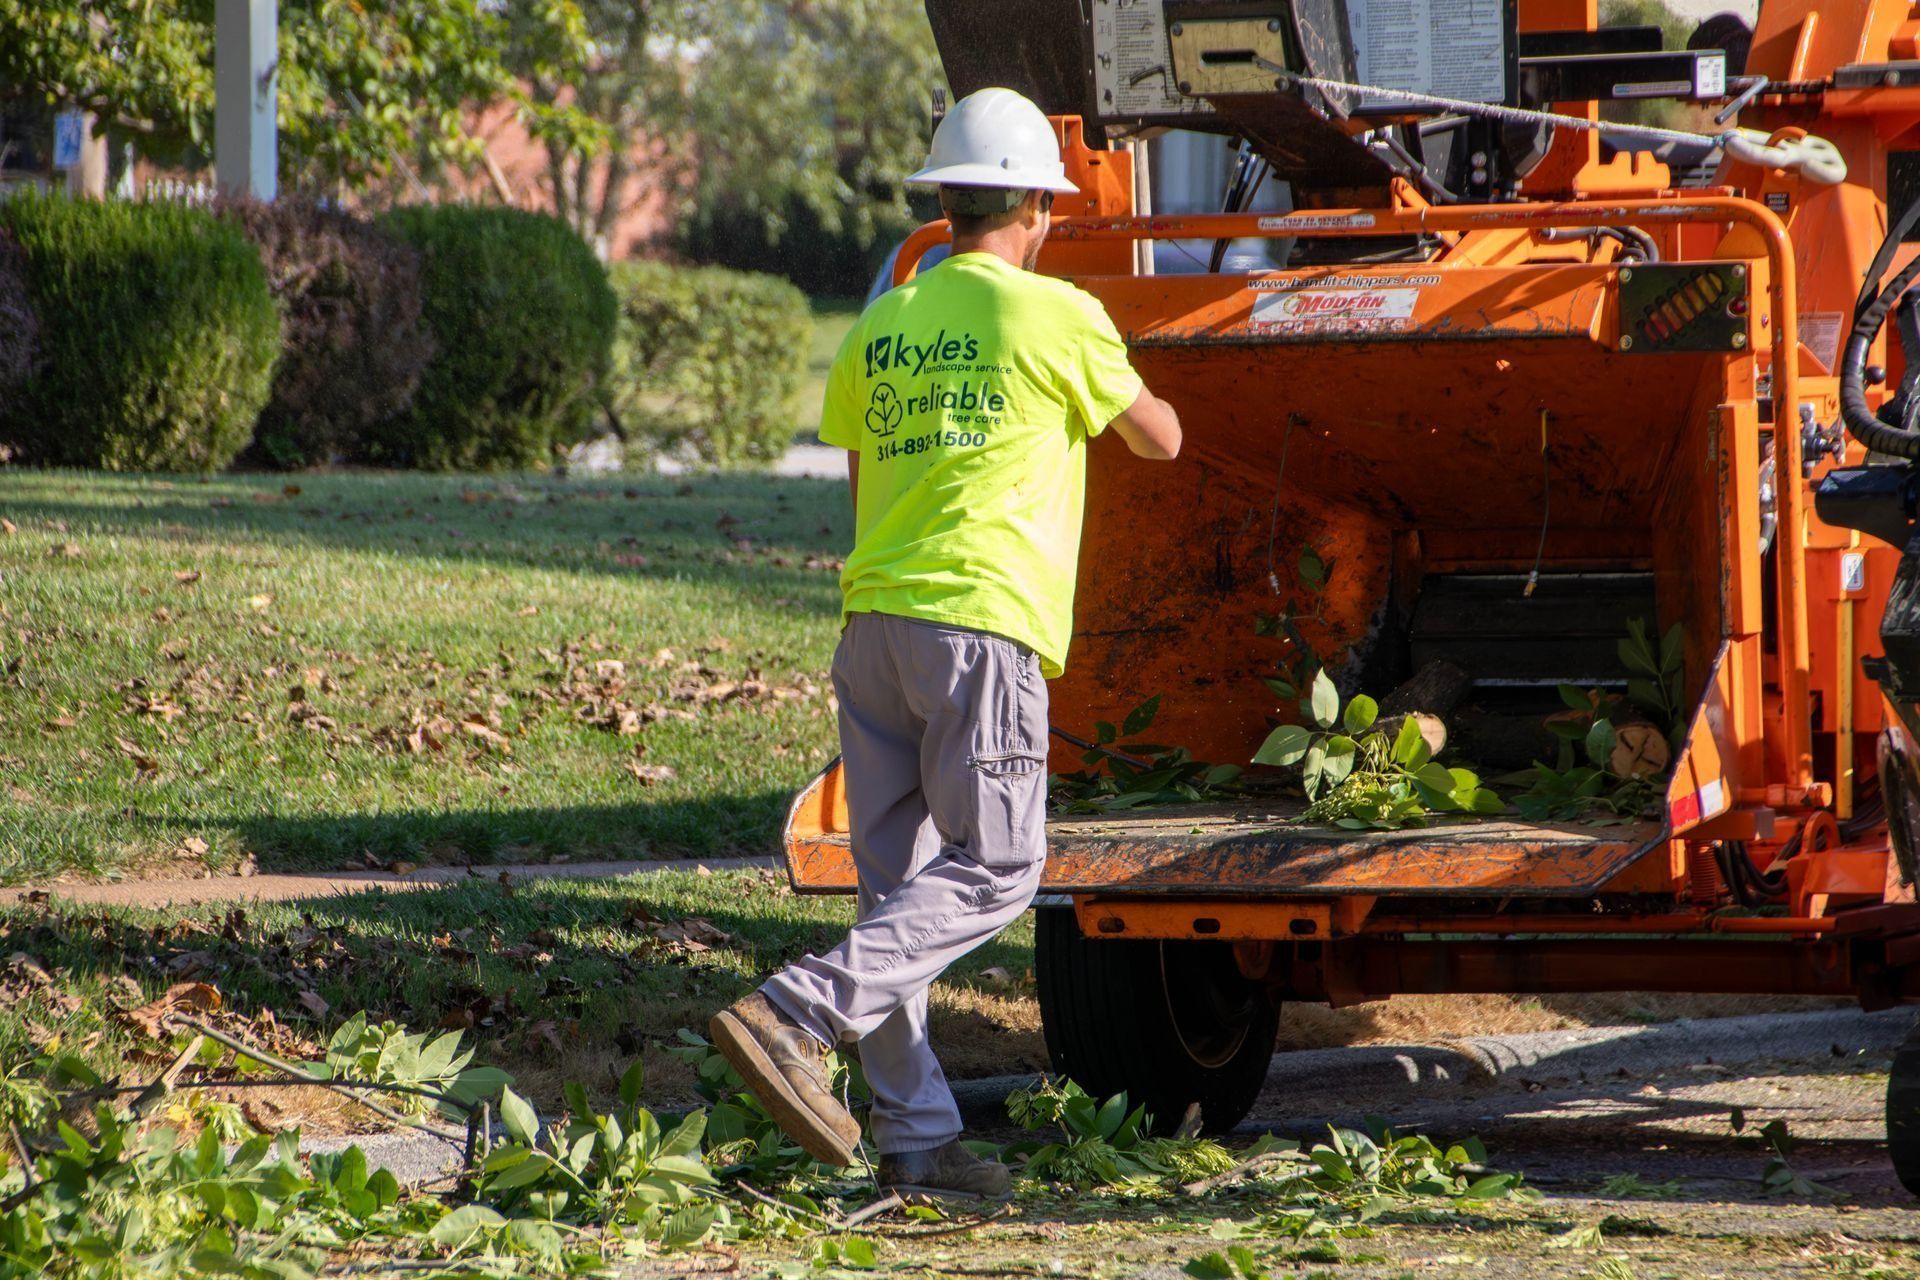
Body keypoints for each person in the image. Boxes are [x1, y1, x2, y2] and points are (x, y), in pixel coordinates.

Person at [708, 86, 1182, 1200]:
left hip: (874, 628)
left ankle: (919, 1137)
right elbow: (1161, 439)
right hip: (981, 628)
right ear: (1034, 203)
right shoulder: (1054, 314)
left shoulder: (883, 323)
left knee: (899, 893)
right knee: (1002, 869)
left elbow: (865, 478)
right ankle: (796, 1010)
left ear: (945, 201)